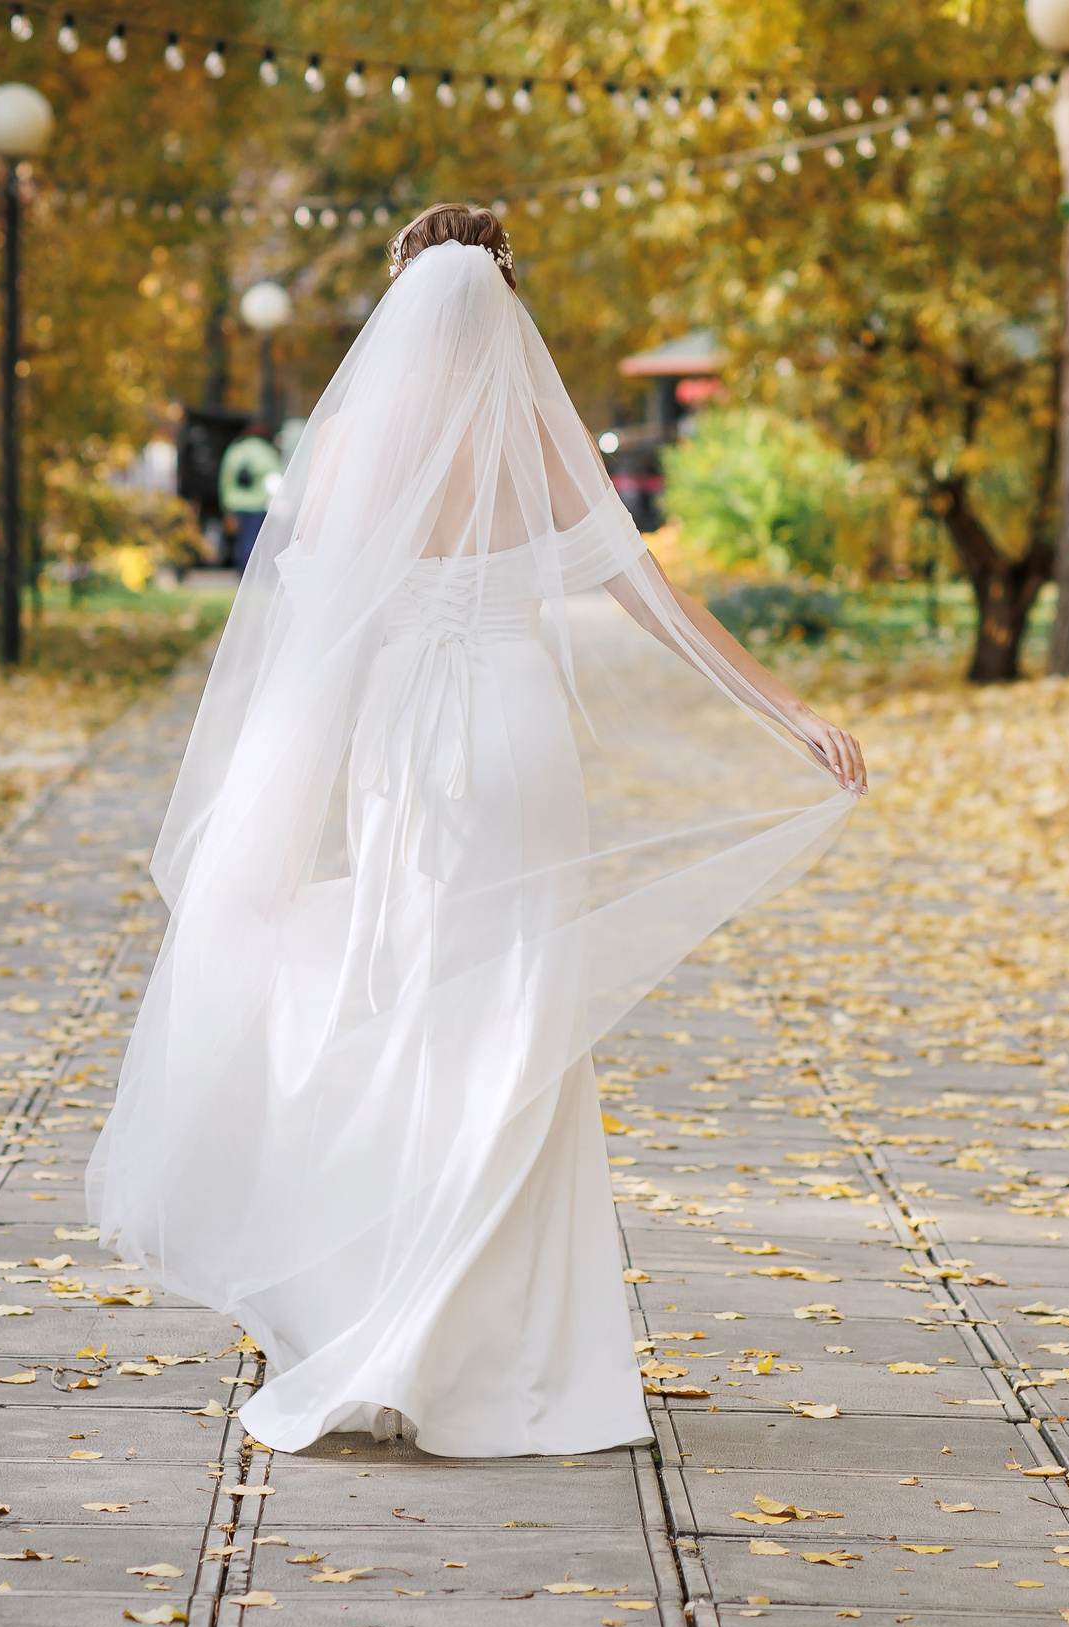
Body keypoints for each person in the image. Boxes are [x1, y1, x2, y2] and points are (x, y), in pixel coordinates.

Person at [89, 204, 864, 1459]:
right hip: (514, 738)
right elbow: (654, 600)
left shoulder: (347, 444)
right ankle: (506, 1356)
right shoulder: (533, 431)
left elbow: (313, 660)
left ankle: (390, 1324)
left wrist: (272, 833)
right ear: (503, 306)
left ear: (399, 307)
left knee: (410, 1006)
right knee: (520, 1025)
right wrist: (789, 712)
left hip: (405, 747)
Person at [218, 429, 281, 567]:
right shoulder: (265, 451)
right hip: (258, 504)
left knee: (241, 542)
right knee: (253, 540)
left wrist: (226, 506)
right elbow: (274, 478)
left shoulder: (235, 451)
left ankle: (242, 570)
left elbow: (225, 480)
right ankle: (251, 569)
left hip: (236, 504)